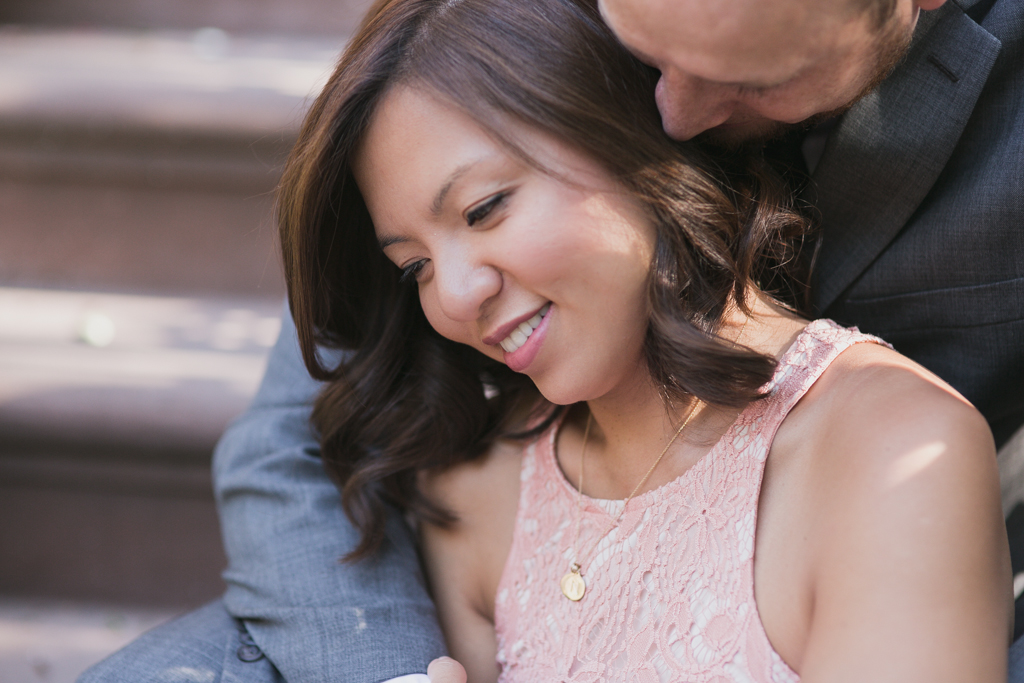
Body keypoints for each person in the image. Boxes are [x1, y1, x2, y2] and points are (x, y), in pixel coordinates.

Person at [79, 0, 1023, 679]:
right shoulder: (479, 492)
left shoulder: (900, 453)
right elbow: (292, 436)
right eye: (412, 265)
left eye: (486, 208)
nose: (676, 110)